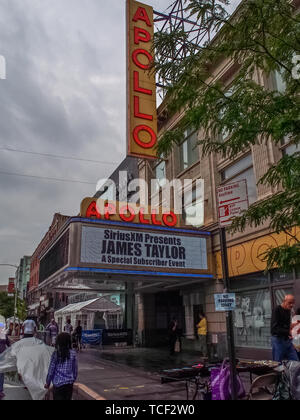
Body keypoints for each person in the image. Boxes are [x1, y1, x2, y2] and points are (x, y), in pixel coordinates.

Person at [45, 333, 78, 401]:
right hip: (69, 385)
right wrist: (73, 379)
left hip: (58, 385)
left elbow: (51, 371)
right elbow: (75, 370)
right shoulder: (73, 353)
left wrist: (47, 383)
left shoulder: (56, 354)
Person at [271, 295, 299, 362]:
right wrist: (288, 332)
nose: (292, 305)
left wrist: (292, 326)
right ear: (284, 301)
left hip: (287, 340)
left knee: (296, 361)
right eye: (289, 303)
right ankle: (279, 372)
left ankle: (292, 372)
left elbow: (285, 325)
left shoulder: (288, 310)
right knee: (277, 363)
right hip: (278, 340)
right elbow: (274, 329)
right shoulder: (277, 310)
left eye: (293, 303)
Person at [0, 322, 10, 400]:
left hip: (3, 356)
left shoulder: (4, 335)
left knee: (1, 373)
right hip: (2, 355)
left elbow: (8, 344)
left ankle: (0, 390)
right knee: (1, 373)